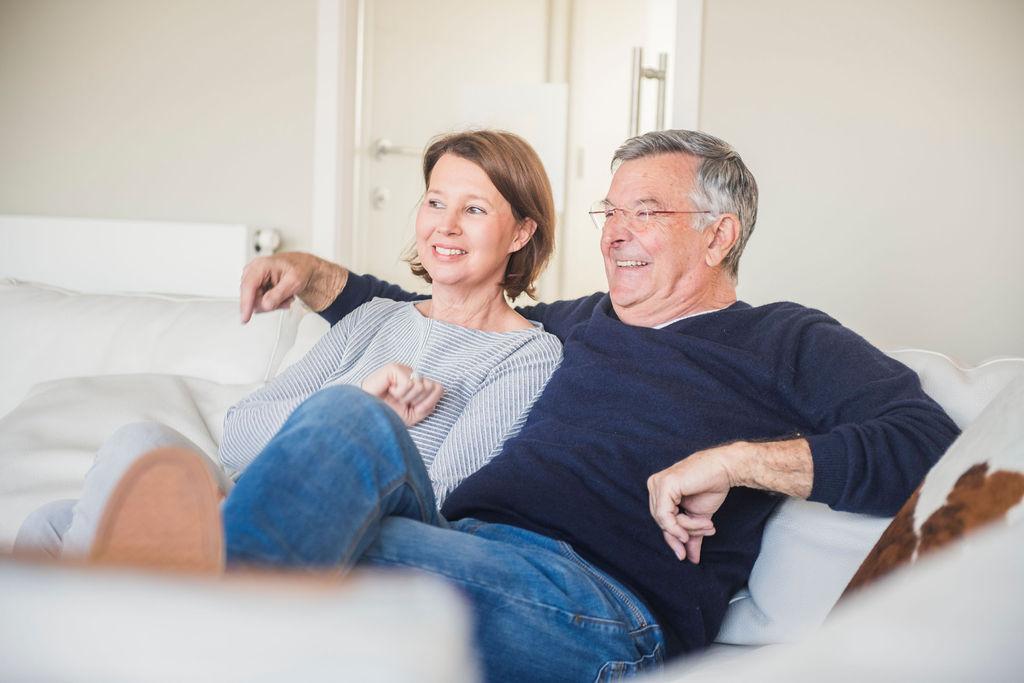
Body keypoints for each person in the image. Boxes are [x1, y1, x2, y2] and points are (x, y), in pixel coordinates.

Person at [94, 130, 960, 681]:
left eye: (644, 211)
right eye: (608, 211)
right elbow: (434, 304)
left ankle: (163, 605)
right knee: (354, 417)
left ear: (719, 233)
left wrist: (738, 461)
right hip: (464, 540)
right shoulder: (577, 321)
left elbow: (928, 441)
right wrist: (312, 274)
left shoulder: (786, 338)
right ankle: (190, 601)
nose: (613, 232)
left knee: (337, 545)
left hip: (601, 608)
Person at [14, 130, 563, 563]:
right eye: (436, 202)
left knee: (70, 532)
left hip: (312, 533)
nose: (446, 226)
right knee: (102, 474)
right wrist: (356, 400)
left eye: (474, 210)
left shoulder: (525, 355)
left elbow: (444, 502)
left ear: (520, 233)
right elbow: (239, 439)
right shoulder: (375, 318)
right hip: (239, 500)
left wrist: (364, 429)